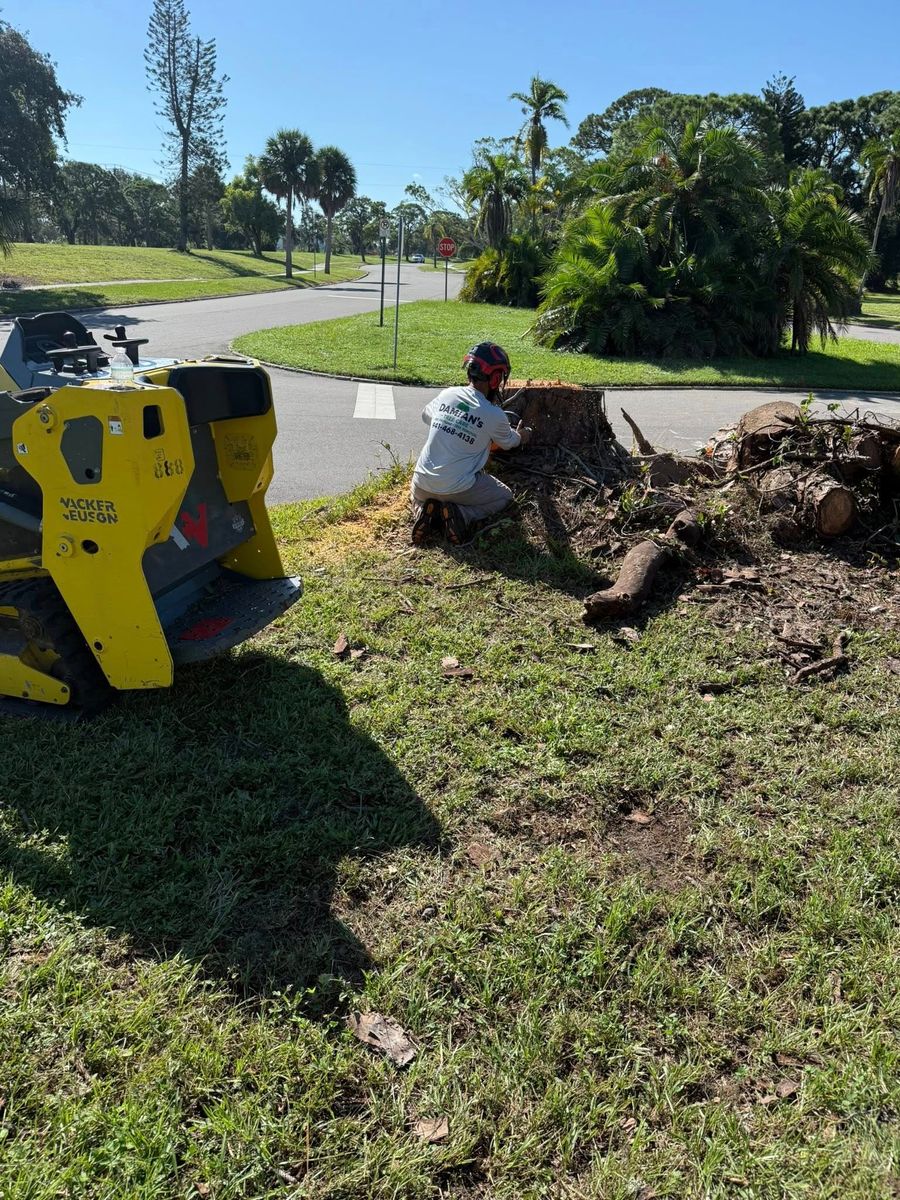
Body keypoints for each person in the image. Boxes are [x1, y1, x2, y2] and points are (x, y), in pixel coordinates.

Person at [411, 342, 531, 545]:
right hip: (459, 488)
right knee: (504, 497)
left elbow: (426, 416)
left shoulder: (447, 394)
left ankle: (423, 511)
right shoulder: (494, 414)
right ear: (494, 378)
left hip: (422, 485)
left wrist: (455, 422)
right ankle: (461, 515)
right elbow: (511, 442)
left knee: (416, 493)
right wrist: (523, 435)